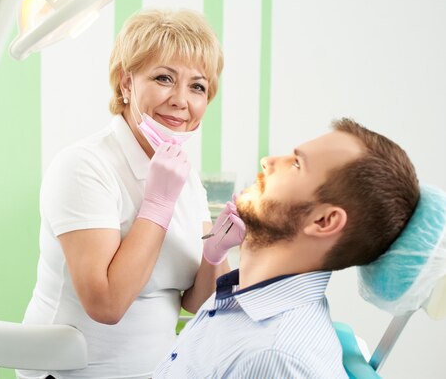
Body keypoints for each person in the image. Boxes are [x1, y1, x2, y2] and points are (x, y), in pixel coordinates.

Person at [17, 9, 245, 379]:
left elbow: (195, 303)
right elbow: (107, 304)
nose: (181, 100)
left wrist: (214, 254)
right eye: (164, 78)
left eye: (197, 86)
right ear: (126, 83)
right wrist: (157, 204)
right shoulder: (83, 166)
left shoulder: (182, 175)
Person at [153, 118, 420, 378]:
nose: (267, 162)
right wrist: (213, 256)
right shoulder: (242, 299)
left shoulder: (274, 357)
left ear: (323, 221)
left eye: (295, 164)